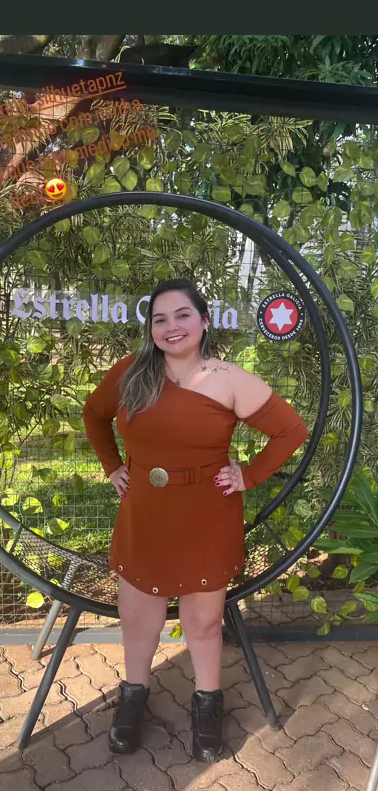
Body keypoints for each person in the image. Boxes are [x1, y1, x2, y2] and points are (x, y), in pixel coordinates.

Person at [83, 277, 308, 763]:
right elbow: (93, 415)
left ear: (204, 321)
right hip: (145, 512)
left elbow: (291, 430)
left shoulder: (228, 378)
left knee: (203, 623)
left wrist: (249, 475)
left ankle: (208, 703)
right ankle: (132, 697)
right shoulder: (131, 373)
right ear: (150, 329)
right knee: (138, 618)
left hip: (207, 515)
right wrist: (112, 466)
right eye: (160, 319)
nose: (172, 326)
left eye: (182, 315)